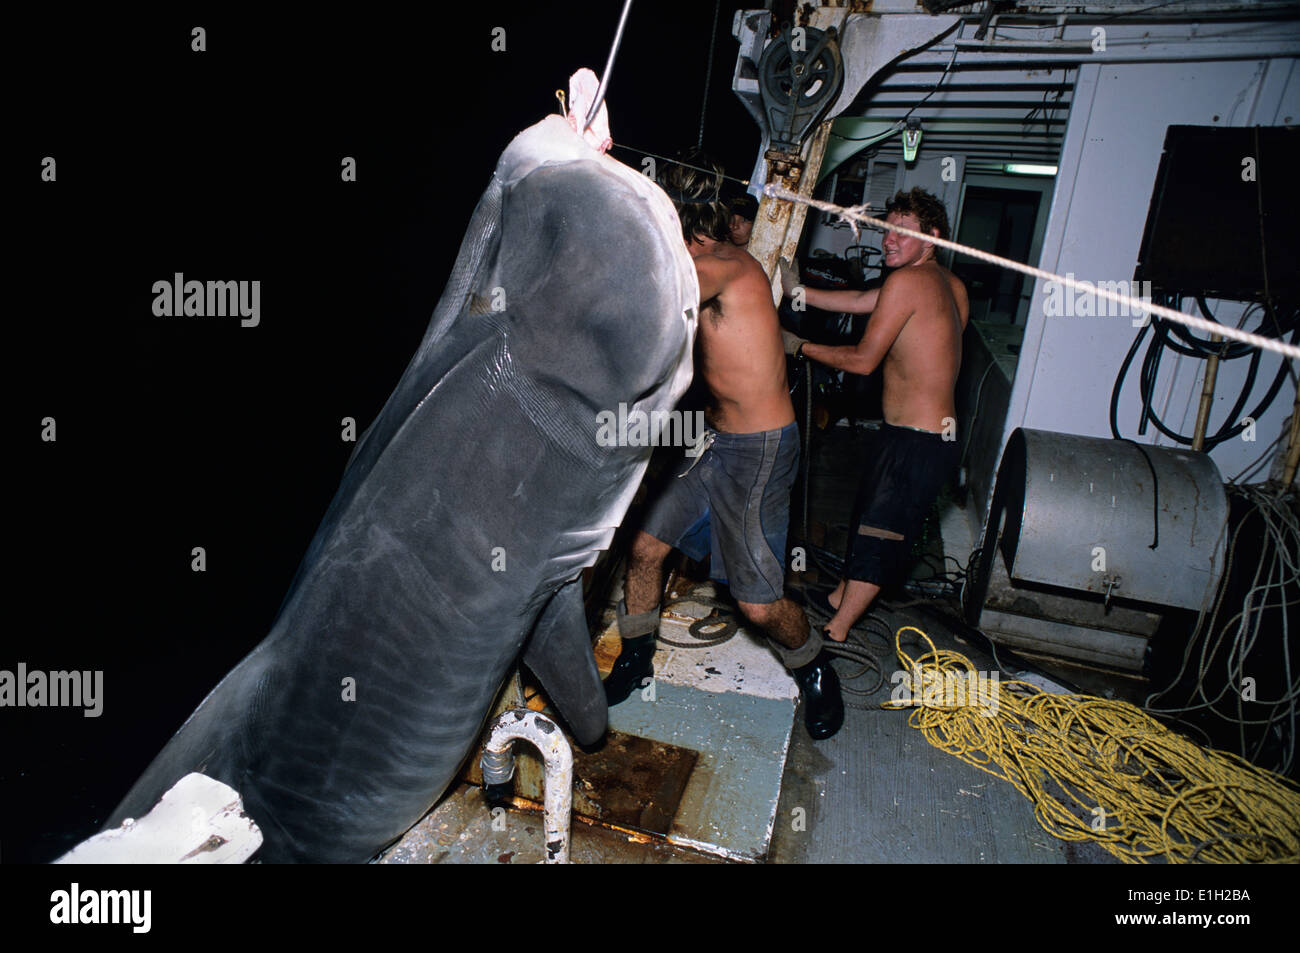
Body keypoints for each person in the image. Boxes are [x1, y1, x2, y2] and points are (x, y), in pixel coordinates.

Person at [603, 151, 844, 740]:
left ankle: (813, 664)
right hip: (710, 438)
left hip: (760, 449)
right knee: (643, 546)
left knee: (757, 604)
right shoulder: (701, 261)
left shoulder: (723, 268)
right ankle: (636, 658)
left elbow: (654, 294)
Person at [779, 187, 970, 643]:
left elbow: (865, 360)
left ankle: (834, 634)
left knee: (879, 537)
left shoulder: (908, 283)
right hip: (927, 439)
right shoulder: (950, 284)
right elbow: (863, 302)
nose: (888, 240)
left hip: (915, 440)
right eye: (886, 231)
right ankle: (835, 601)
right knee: (869, 523)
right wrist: (799, 291)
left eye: (901, 233)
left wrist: (798, 347)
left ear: (932, 239)